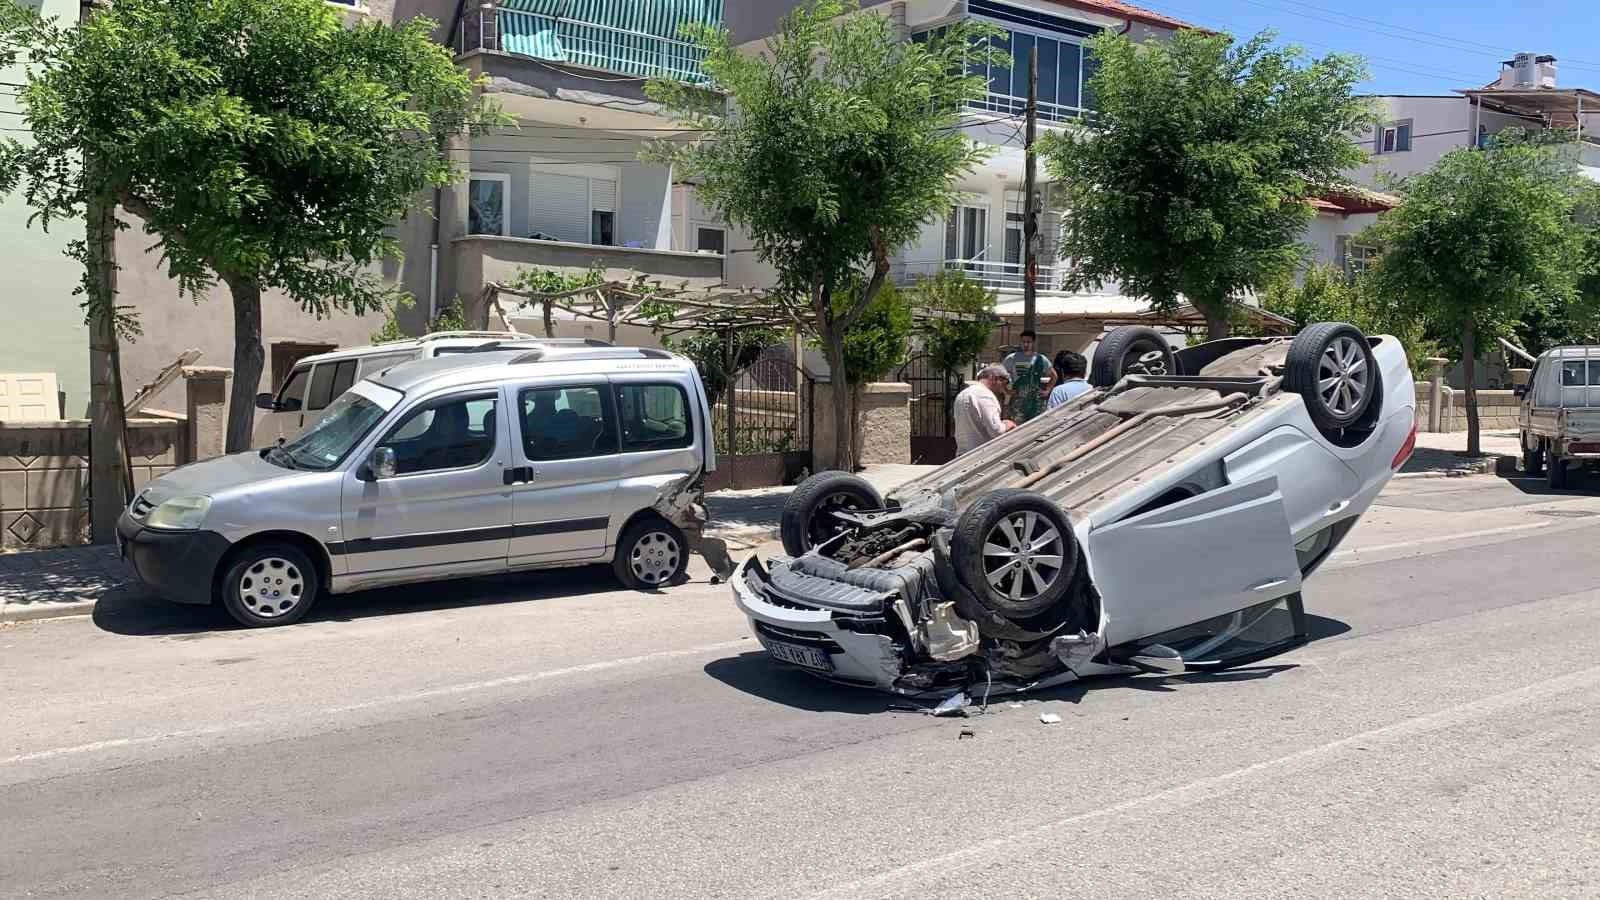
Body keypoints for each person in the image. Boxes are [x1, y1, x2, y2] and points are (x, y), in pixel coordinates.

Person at [953, 365, 1017, 456]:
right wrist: (1008, 424)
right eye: (1004, 383)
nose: (1003, 389)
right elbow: (996, 431)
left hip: (962, 455)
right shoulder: (985, 396)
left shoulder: (963, 394)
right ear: (993, 377)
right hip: (980, 456)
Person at [1002, 329, 1055, 424]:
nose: (1025, 344)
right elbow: (1000, 375)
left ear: (1033, 343)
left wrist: (1047, 390)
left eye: (1028, 342)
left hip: (1036, 403)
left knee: (1035, 427)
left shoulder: (1041, 359)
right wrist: (1006, 391)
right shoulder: (1011, 358)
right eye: (1023, 342)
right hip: (1018, 402)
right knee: (1017, 427)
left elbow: (1054, 375)